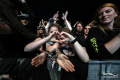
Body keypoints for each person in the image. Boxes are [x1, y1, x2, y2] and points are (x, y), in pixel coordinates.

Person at [0, 0, 50, 80]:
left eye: (26, 19)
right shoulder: (17, 26)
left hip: (18, 62)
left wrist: (24, 3)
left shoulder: (20, 28)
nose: (24, 20)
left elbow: (33, 19)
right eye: (22, 18)